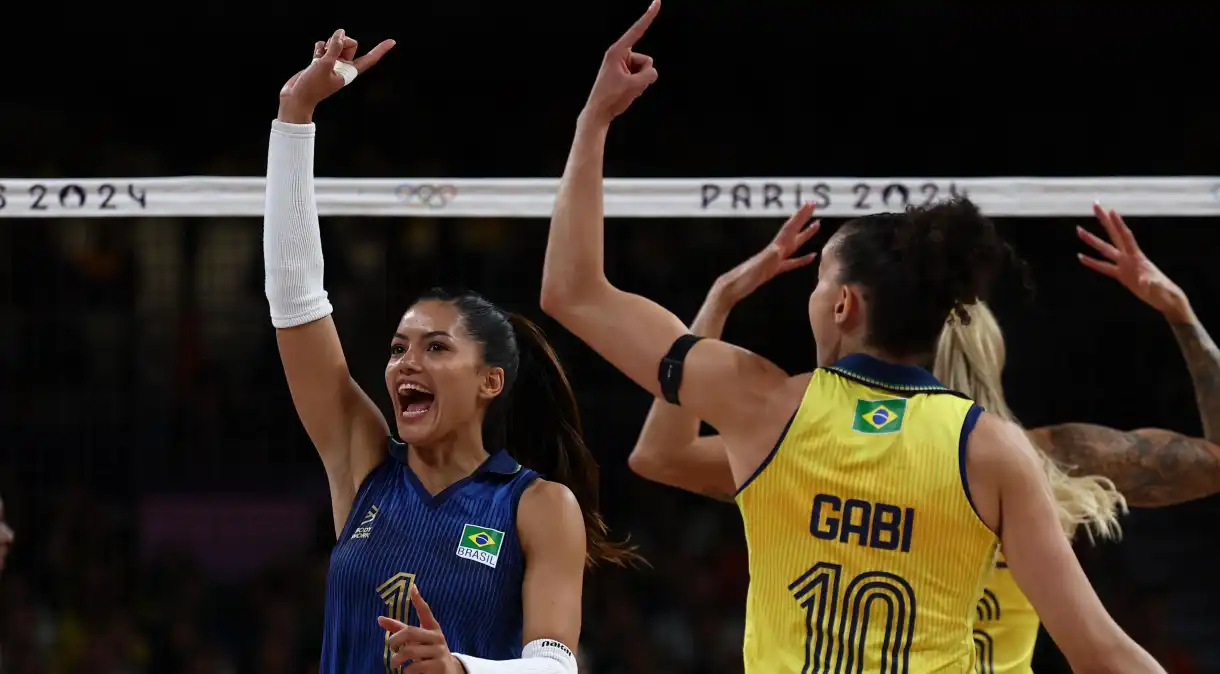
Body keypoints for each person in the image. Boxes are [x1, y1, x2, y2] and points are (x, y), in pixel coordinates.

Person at [539, 3, 1163, 672]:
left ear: (842, 305)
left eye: (817, 285)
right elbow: (1102, 652)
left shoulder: (762, 402)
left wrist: (594, 121)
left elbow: (571, 292)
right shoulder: (993, 448)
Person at [629, 203, 1220, 673]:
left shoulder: (824, 448)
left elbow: (661, 455)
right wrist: (1181, 315)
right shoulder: (1040, 456)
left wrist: (710, 316)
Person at [267, 30, 635, 674]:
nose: (406, 363)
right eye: (397, 348)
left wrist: (462, 669)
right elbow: (296, 299)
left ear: (490, 381)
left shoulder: (539, 505)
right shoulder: (364, 465)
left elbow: (554, 666)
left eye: (436, 347)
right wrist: (295, 117)